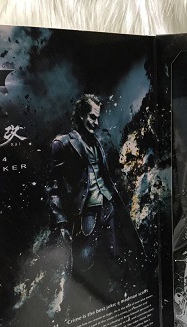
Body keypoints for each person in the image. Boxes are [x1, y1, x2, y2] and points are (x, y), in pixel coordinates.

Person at [47, 94, 145, 313]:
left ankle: (117, 307)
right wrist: (61, 222)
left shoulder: (96, 143)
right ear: (81, 115)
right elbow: (54, 186)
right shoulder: (63, 144)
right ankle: (74, 313)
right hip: (85, 216)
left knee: (115, 257)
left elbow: (104, 177)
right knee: (83, 266)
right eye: (92, 117)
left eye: (97, 117)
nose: (96, 122)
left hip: (108, 210)